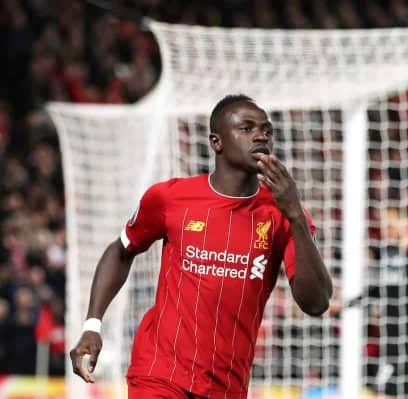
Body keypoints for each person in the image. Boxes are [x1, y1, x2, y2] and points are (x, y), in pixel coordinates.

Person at [69, 94, 333, 399]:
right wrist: (92, 324)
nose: (261, 135)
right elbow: (121, 250)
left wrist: (296, 215)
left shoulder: (282, 214)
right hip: (160, 373)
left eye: (267, 130)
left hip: (227, 387)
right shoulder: (170, 198)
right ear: (216, 142)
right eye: (246, 128)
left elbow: (316, 303)